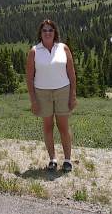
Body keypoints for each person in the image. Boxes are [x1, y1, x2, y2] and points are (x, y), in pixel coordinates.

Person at [26, 19, 77, 172]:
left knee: (63, 126)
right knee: (48, 126)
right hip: (42, 93)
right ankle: (53, 159)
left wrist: (73, 95)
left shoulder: (63, 48)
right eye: (44, 30)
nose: (47, 33)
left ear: (55, 32)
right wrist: (33, 100)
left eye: (50, 30)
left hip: (63, 90)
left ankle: (67, 160)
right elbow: (29, 78)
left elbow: (71, 73)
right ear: (40, 34)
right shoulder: (34, 51)